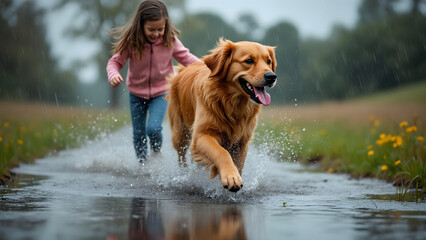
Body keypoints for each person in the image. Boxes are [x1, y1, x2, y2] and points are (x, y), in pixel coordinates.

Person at [106, 0, 199, 162]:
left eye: (160, 29)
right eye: (151, 29)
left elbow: (186, 57)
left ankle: (156, 154)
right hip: (136, 94)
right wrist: (113, 74)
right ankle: (143, 164)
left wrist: (207, 67)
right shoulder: (131, 42)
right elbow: (115, 62)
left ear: (166, 26)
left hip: (161, 93)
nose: (156, 34)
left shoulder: (169, 40)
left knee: (154, 129)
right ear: (140, 25)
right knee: (138, 134)